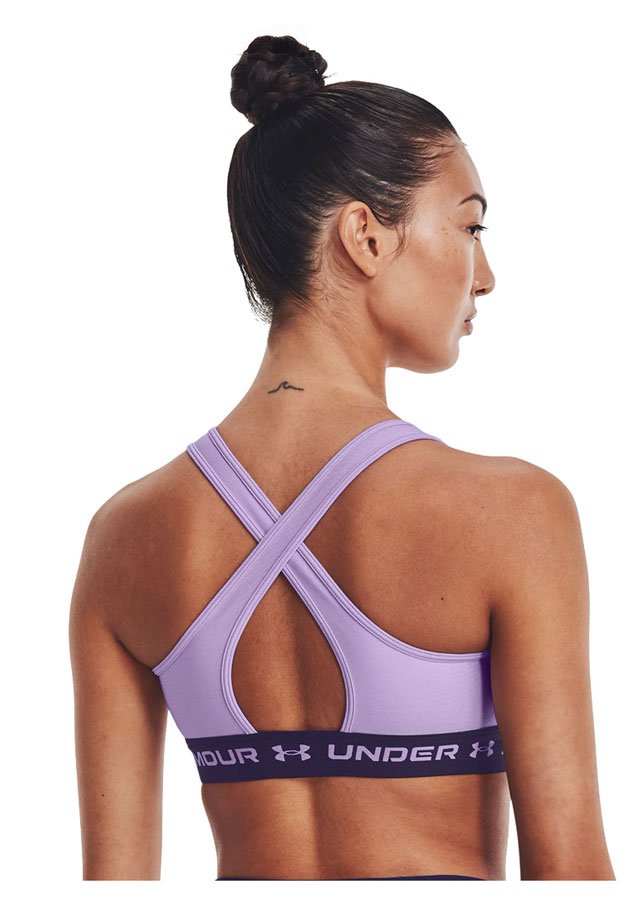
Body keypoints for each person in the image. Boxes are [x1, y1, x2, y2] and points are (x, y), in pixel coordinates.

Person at [69, 34, 615, 882]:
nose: (485, 275)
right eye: (470, 226)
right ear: (364, 235)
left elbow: (110, 894)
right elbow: (572, 877)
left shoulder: (123, 538)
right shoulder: (514, 514)